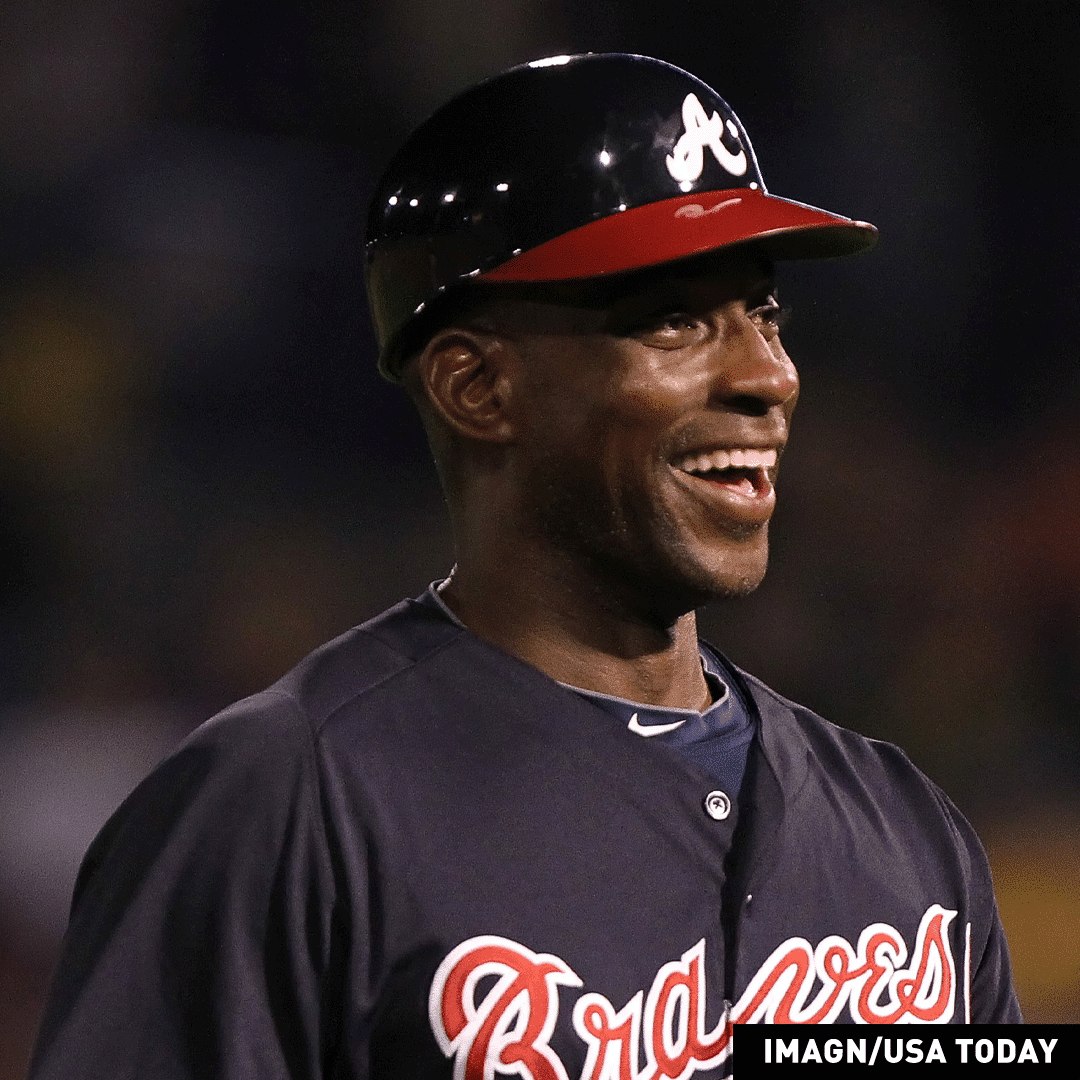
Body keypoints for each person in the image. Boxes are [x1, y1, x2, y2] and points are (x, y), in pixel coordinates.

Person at [28, 53, 1021, 1080]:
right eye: (676, 320)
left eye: (764, 315)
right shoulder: (286, 800)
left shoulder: (909, 831)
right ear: (477, 387)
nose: (768, 376)